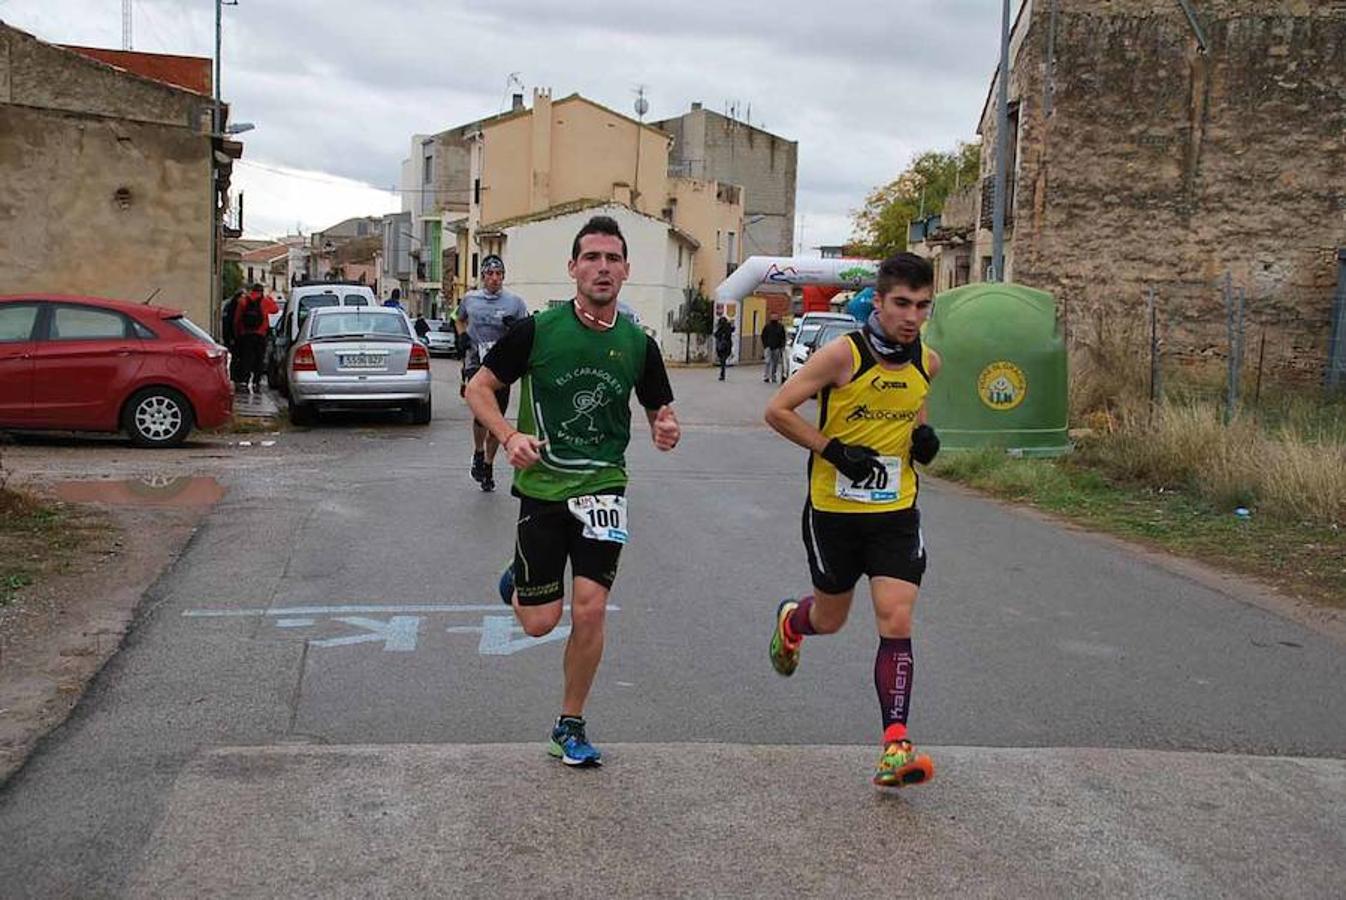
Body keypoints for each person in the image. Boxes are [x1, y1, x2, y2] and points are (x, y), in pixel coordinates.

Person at [465, 215, 680, 768]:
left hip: (604, 488)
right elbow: (478, 388)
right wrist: (508, 436)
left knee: (591, 608)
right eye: (592, 258)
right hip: (543, 485)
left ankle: (570, 723)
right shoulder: (538, 330)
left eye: (612, 259)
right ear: (573, 268)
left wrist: (664, 426)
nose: (602, 268)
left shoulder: (638, 343)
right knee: (539, 622)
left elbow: (658, 407)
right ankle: (517, 579)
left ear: (626, 270)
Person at [763, 252, 943, 789]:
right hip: (834, 512)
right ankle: (793, 622)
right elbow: (777, 411)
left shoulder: (927, 361)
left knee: (896, 618)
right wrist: (833, 451)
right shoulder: (843, 355)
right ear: (879, 302)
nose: (911, 317)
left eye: (923, 306)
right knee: (830, 620)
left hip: (895, 512)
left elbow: (914, 409)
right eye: (902, 304)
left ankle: (895, 745)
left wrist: (923, 438)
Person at [456, 255, 529, 492]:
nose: (495, 278)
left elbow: (527, 329)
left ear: (503, 277)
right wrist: (462, 335)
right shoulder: (470, 299)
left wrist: (514, 327)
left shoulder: (515, 302)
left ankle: (488, 465)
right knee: (481, 414)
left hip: (501, 363)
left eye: (499, 274)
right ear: (483, 276)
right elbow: (458, 318)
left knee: (496, 416)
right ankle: (479, 453)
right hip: (476, 360)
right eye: (490, 274)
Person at [232, 283, 278, 392]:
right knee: (259, 358)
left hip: (245, 334)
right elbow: (275, 309)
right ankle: (256, 382)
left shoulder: (243, 301)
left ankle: (244, 381)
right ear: (261, 291)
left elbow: (237, 319)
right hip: (261, 334)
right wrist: (269, 298)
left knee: (246, 358)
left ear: (252, 290)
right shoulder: (265, 301)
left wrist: (236, 333)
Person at [221, 289, 243, 384]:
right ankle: (235, 377)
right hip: (233, 336)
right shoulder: (233, 306)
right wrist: (230, 337)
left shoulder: (229, 305)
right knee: (236, 358)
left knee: (236, 357)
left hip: (232, 336)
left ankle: (235, 377)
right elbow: (229, 323)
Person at [761, 312, 787, 383]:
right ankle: (766, 376)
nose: (774, 318)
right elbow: (763, 336)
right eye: (773, 316)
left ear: (777, 317)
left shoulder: (780, 327)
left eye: (775, 316)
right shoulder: (767, 326)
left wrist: (782, 346)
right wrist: (765, 345)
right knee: (767, 362)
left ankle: (773, 376)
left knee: (775, 363)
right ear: (771, 317)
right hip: (768, 347)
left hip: (777, 348)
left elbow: (783, 337)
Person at [714, 314, 735, 381]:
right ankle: (722, 372)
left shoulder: (721, 328)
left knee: (722, 360)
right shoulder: (728, 327)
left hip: (721, 346)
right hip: (728, 345)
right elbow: (733, 329)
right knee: (724, 359)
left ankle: (722, 373)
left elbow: (716, 334)